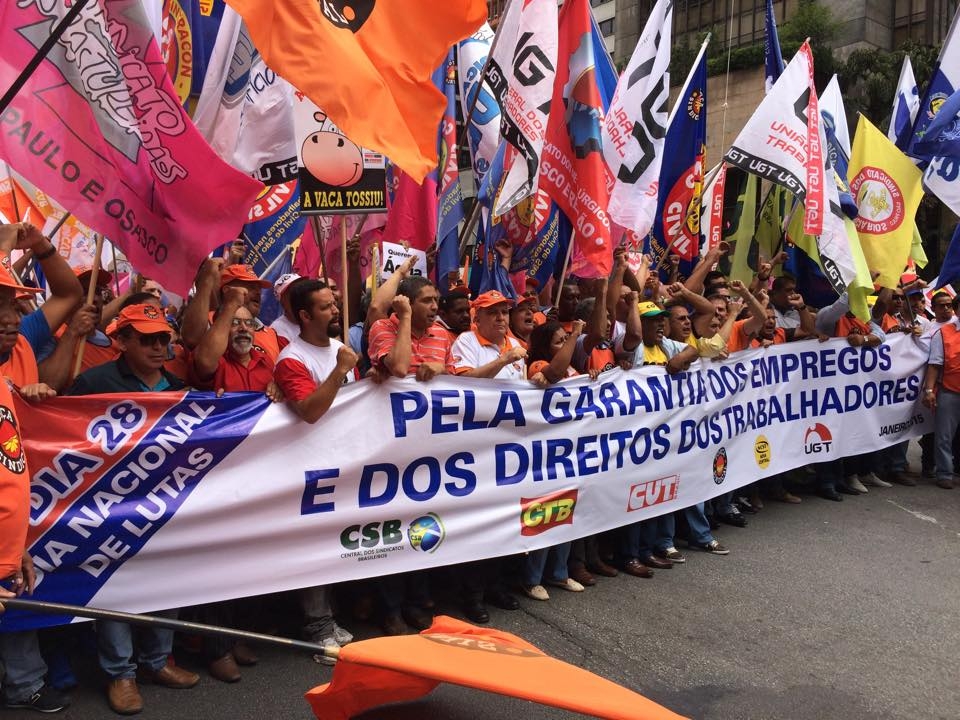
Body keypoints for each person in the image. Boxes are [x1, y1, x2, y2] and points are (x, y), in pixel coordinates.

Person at [67, 304, 199, 715]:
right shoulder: (91, 383)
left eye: (163, 338)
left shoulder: (178, 385)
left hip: (165, 504)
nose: (159, 347)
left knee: (167, 581)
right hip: (110, 505)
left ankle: (158, 661)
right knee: (114, 587)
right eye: (147, 339)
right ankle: (119, 673)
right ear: (122, 342)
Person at [273, 280, 356, 660]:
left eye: (335, 304)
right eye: (325, 307)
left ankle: (328, 618)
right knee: (315, 548)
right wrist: (340, 372)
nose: (335, 311)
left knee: (335, 545)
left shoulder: (342, 349)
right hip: (310, 466)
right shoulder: (292, 359)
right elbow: (308, 411)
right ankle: (316, 629)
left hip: (343, 460)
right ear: (304, 316)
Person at [449, 290, 526, 622]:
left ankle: (497, 585)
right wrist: (503, 361)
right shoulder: (467, 343)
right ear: (476, 318)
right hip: (475, 449)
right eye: (493, 313)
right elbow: (465, 382)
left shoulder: (515, 346)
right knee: (478, 523)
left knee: (505, 520)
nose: (501, 319)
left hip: (508, 448)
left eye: (504, 313)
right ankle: (472, 594)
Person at [616, 300, 700, 573]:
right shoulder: (634, 347)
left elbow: (693, 349)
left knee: (656, 492)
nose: (660, 325)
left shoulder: (666, 346)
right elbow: (631, 338)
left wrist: (681, 359)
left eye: (661, 319)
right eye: (652, 320)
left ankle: (648, 549)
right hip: (635, 435)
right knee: (635, 496)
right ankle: (628, 555)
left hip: (661, 435)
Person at [192, 286, 283, 400]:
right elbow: (205, 361)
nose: (244, 328)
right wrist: (231, 304)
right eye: (234, 322)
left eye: (249, 323)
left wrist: (277, 389)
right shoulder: (215, 360)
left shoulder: (265, 361)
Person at [181, 260, 280, 362]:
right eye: (250, 287)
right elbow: (191, 339)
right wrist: (207, 280)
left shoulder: (271, 333)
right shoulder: (209, 321)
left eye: (259, 289)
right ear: (227, 290)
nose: (258, 293)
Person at [921, 292, 960, 490]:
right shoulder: (943, 333)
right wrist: (929, 390)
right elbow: (934, 364)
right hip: (950, 391)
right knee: (944, 435)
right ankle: (944, 473)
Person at [269, 273, 305, 347]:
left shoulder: (316, 315)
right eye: (293, 292)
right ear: (282, 301)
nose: (300, 294)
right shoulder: (277, 331)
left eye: (302, 288)